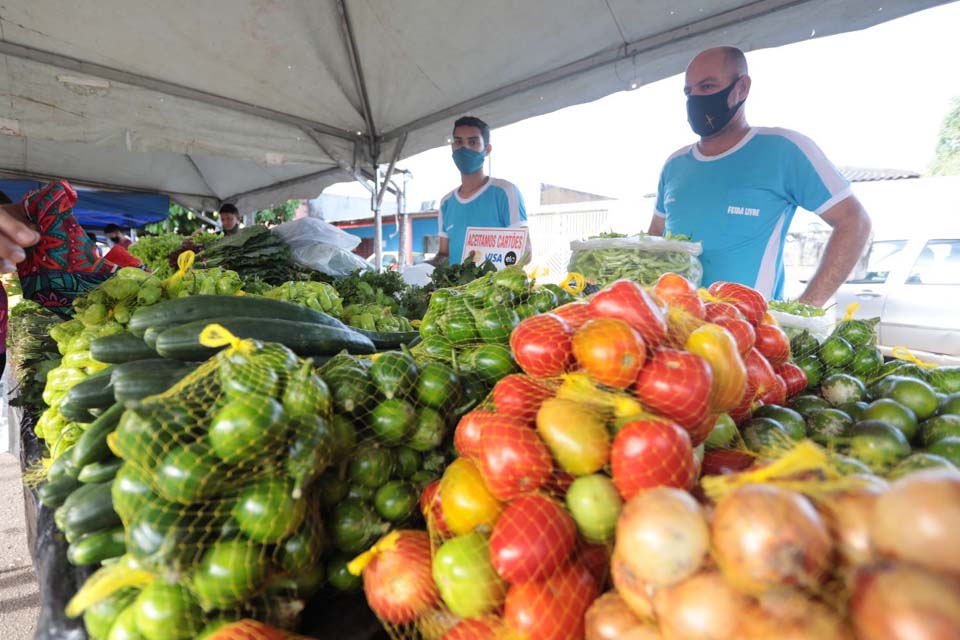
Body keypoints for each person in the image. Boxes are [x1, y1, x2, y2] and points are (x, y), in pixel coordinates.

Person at [649, 47, 871, 306]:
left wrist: (805, 308)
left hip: (750, 337)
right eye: (689, 91)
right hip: (672, 333)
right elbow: (655, 237)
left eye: (707, 86)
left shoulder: (784, 150)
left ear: (741, 88)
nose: (696, 98)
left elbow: (854, 222)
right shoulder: (674, 165)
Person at [429, 116, 528, 266]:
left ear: (487, 150)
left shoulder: (505, 193)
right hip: (455, 289)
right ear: (452, 147)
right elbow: (444, 254)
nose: (464, 148)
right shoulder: (446, 203)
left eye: (473, 142)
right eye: (458, 141)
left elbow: (526, 252)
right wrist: (422, 268)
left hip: (494, 289)